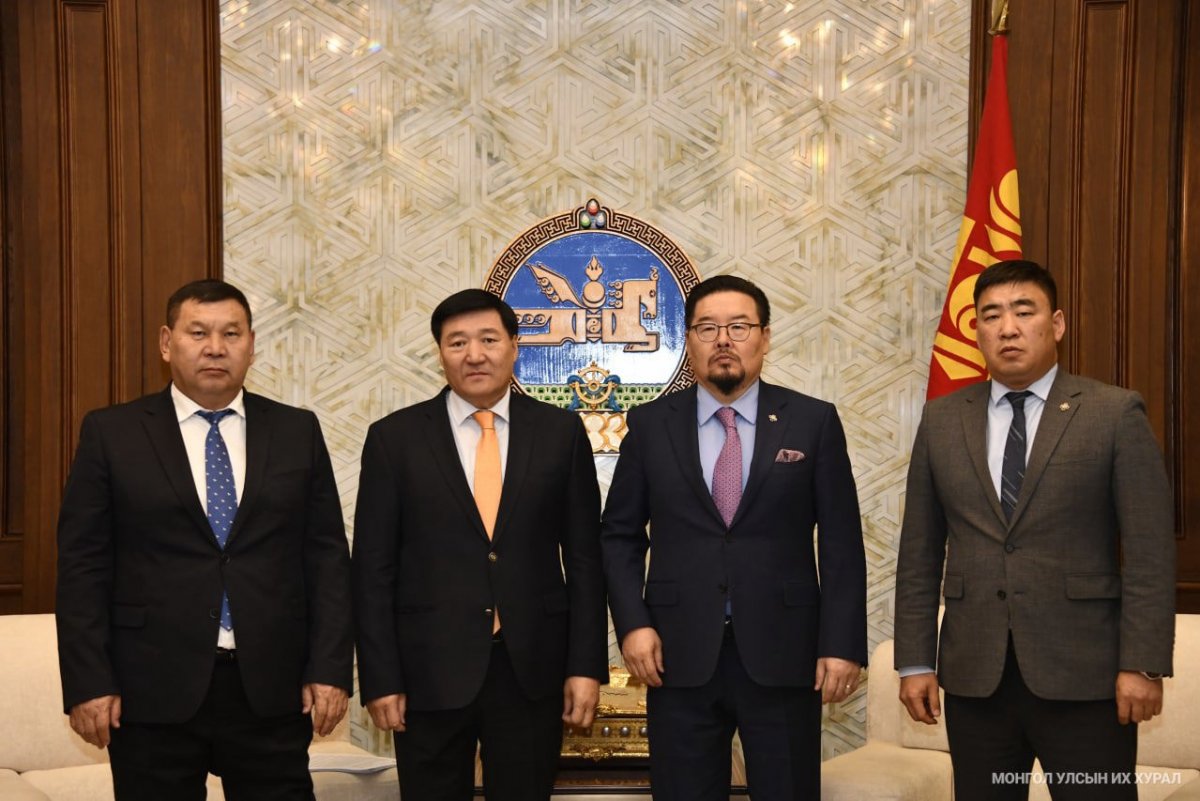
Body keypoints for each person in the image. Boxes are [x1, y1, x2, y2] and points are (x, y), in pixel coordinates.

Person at [55, 279, 353, 801]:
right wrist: (89, 682)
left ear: (251, 345)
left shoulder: (296, 431)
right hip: (150, 688)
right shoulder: (113, 433)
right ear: (166, 342)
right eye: (199, 333)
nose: (215, 347)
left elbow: (326, 558)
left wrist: (330, 669)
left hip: (270, 688)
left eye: (231, 334)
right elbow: (83, 566)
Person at [894, 259, 1176, 800]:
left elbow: (1150, 553)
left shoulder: (1113, 413)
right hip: (976, 676)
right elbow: (919, 553)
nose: (1008, 328)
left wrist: (1143, 665)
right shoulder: (942, 420)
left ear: (1057, 323)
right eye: (991, 315)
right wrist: (915, 661)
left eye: (1024, 312)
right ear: (976, 330)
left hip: (1086, 677)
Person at [601, 274, 868, 800]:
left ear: (764, 337)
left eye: (739, 326)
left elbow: (841, 542)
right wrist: (633, 625)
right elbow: (619, 536)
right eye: (708, 328)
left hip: (786, 653)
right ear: (688, 341)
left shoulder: (812, 421)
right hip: (676, 656)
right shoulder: (650, 424)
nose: (723, 339)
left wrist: (841, 645)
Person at [352, 288, 608, 801]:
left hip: (531, 669)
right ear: (440, 353)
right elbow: (372, 570)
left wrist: (585, 667)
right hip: (427, 671)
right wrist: (381, 678)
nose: (474, 354)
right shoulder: (394, 439)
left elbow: (585, 560)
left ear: (514, 346)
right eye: (458, 342)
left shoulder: (559, 433)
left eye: (489, 340)